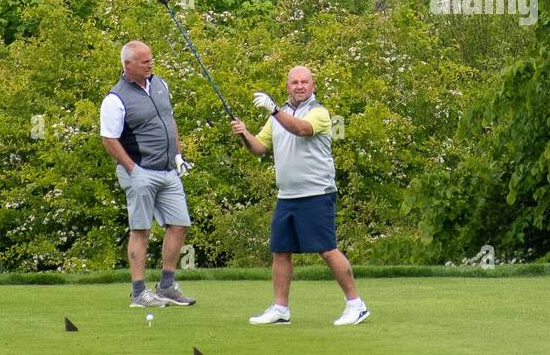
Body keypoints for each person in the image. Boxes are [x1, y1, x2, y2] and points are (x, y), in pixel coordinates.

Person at [230, 65, 370, 326]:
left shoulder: (319, 113)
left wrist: (274, 110)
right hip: (287, 196)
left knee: (327, 250)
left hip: (317, 192)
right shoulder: (277, 118)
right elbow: (259, 148)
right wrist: (243, 134)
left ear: (313, 86)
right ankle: (281, 309)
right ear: (287, 87)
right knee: (281, 251)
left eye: (305, 82)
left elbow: (301, 129)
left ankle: (356, 305)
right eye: (294, 82)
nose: (299, 86)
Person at [100, 40, 196, 308]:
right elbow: (109, 139)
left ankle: (166, 286)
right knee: (141, 230)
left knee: (179, 224)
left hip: (168, 171)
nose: (150, 64)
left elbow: (169, 120)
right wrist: (133, 170)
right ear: (127, 65)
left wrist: (178, 156)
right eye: (144, 61)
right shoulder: (115, 98)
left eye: (151, 59)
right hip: (139, 172)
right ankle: (138, 292)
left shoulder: (160, 84)